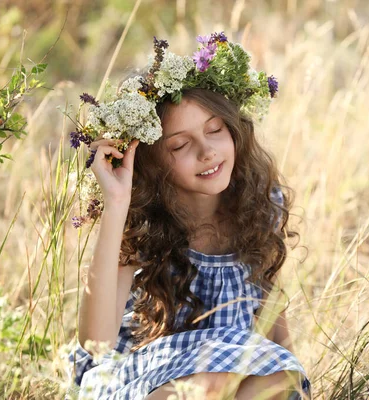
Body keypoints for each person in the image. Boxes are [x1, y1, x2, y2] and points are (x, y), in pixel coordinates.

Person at [66, 34, 310, 399]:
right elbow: (95, 341)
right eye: (180, 145)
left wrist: (293, 378)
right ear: (150, 160)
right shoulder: (140, 222)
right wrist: (116, 203)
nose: (207, 151)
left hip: (237, 364)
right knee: (207, 385)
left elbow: (270, 308)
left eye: (215, 130)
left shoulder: (259, 201)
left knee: (279, 381)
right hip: (144, 373)